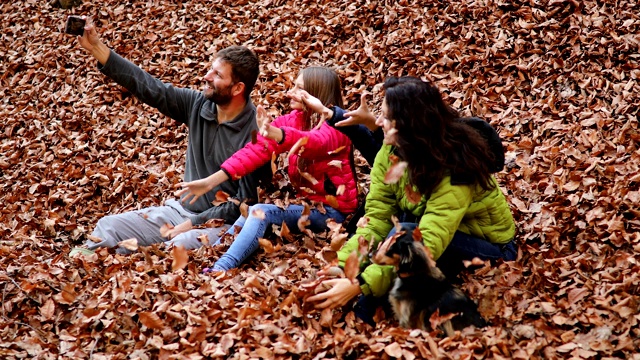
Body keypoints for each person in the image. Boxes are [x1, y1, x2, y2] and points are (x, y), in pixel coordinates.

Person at [306, 76, 517, 325]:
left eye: (385, 116)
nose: (377, 122)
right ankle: (360, 308)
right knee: (397, 231)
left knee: (405, 238)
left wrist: (359, 285)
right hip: (433, 229)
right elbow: (378, 219)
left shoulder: (456, 169)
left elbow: (426, 242)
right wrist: (344, 265)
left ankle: (364, 315)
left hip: (488, 248)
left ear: (409, 124)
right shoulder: (392, 151)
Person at [72, 20, 270, 254]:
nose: (206, 76)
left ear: (238, 88)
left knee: (177, 247)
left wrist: (193, 224)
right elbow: (150, 88)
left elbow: (242, 204)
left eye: (217, 74)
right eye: (210, 69)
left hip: (219, 225)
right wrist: (97, 48)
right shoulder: (198, 104)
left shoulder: (254, 132)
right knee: (108, 227)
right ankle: (86, 264)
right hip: (177, 211)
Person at [177, 67, 359, 272]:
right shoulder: (294, 119)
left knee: (260, 211)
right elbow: (255, 151)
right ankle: (216, 251)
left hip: (334, 213)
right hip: (308, 204)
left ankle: (221, 268)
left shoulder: (339, 126)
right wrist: (210, 181)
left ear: (315, 94)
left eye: (299, 88)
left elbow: (315, 142)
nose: (291, 91)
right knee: (248, 212)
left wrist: (279, 135)